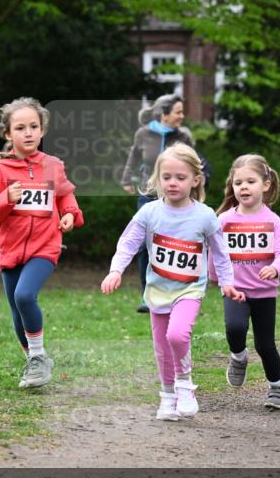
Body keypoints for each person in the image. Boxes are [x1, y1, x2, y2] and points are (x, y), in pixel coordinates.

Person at [102, 143, 243, 421]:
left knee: (177, 335)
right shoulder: (149, 212)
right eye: (166, 177)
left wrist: (227, 282)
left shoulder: (204, 215)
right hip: (157, 290)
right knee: (162, 347)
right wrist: (115, 270)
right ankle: (167, 396)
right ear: (157, 179)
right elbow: (128, 243)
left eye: (180, 178)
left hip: (189, 290)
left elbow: (221, 252)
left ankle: (185, 384)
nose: (173, 183)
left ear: (195, 180)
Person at [0, 97, 84, 389]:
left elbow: (65, 195)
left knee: (25, 296)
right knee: (15, 311)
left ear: (42, 130)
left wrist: (71, 215)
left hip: (45, 246)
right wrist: (5, 199)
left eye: (34, 126)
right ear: (8, 134)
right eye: (20, 128)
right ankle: (36, 361)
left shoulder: (53, 166)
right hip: (10, 249)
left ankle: (36, 358)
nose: (28, 133)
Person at [212, 154, 280, 410]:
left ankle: (277, 389)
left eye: (250, 181)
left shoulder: (273, 221)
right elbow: (215, 252)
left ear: (265, 185)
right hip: (234, 289)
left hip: (264, 293)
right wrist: (217, 279)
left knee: (265, 343)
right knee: (235, 329)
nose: (243, 187)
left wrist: (275, 268)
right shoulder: (224, 221)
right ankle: (238, 356)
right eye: (238, 183)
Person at [121, 94, 195, 313]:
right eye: (178, 112)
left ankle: (178, 295)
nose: (182, 116)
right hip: (149, 194)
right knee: (145, 245)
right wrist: (127, 179)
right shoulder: (143, 134)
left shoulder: (183, 136)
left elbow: (195, 163)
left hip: (177, 198)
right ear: (164, 114)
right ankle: (148, 296)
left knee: (175, 243)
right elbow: (133, 157)